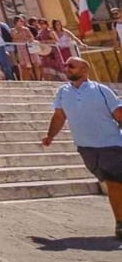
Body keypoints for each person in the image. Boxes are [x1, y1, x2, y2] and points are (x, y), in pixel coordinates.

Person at [42, 56, 122, 240]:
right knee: (113, 184)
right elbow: (60, 116)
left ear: (85, 70)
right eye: (65, 66)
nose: (67, 68)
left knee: (115, 183)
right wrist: (50, 136)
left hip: (111, 144)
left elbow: (118, 114)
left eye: (71, 66)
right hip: (86, 148)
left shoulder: (101, 90)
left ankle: (119, 223)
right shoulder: (62, 92)